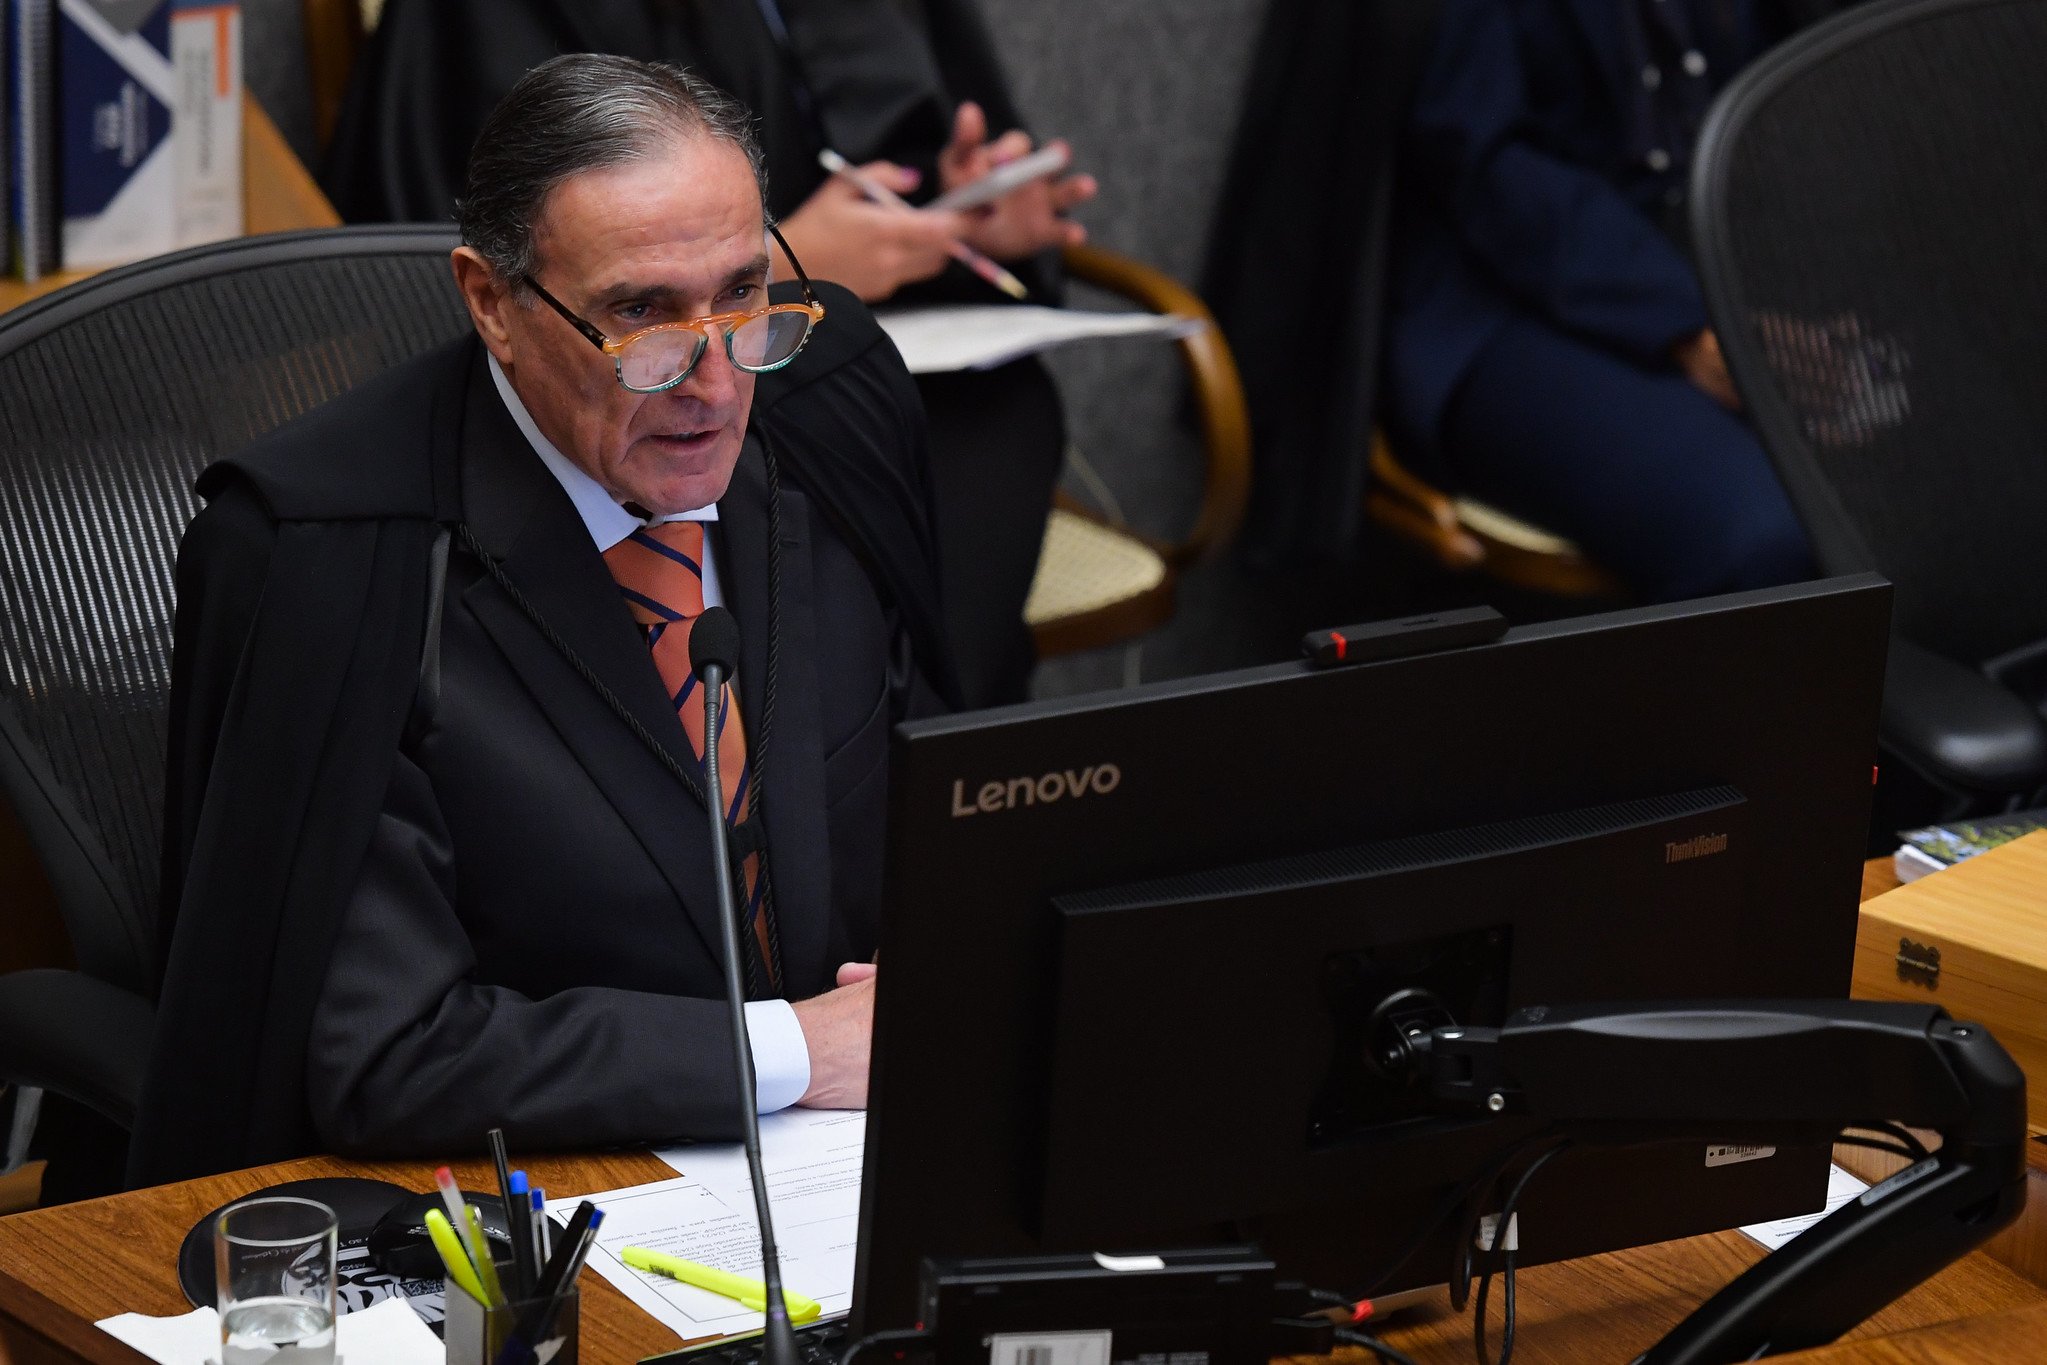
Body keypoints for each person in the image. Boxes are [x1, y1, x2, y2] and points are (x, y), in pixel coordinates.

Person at [129, 55, 950, 1185]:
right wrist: (791, 1052)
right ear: (491, 304)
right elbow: (381, 1055)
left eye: (743, 294)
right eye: (640, 316)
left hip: (866, 1155)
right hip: (532, 1190)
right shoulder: (336, 555)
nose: (716, 383)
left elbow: (942, 788)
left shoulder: (826, 405)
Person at [325, 0, 1099, 706]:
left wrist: (955, 214)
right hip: (646, 382)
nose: (719, 386)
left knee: (995, 423)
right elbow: (446, 271)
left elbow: (899, 145)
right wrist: (779, 264)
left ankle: (929, 747)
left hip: (849, 346)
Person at [1380, 0, 1848, 601]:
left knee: (1912, 462)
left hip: (1703, 254)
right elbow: (1483, 162)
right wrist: (1686, 323)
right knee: (1770, 537)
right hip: (1496, 297)